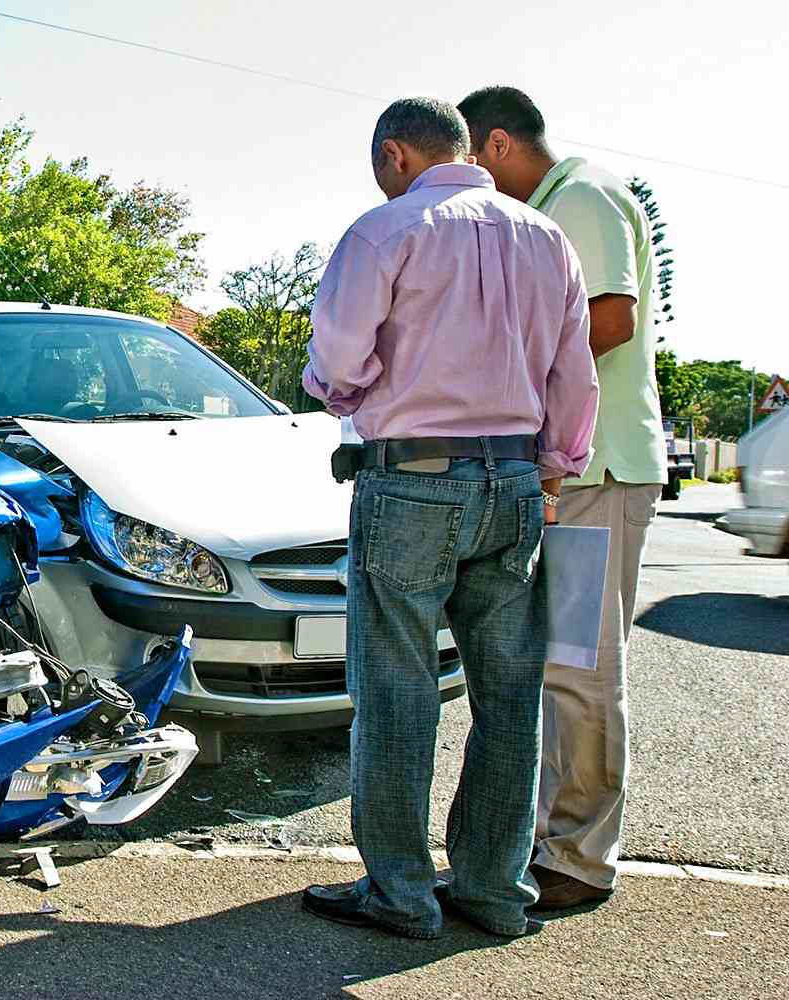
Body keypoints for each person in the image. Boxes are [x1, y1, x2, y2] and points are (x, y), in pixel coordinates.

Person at [299, 97, 599, 939]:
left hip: (412, 482)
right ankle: (493, 891)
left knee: (397, 693)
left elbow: (338, 361)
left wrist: (344, 392)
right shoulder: (546, 238)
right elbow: (575, 380)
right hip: (513, 485)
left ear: (396, 155)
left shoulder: (387, 230)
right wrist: (550, 469)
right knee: (509, 696)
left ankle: (400, 893)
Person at [459, 86, 667, 912]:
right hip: (565, 475)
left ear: (500, 144)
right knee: (556, 667)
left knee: (580, 669)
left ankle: (579, 861)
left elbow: (610, 319)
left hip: (600, 471)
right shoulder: (543, 208)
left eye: (470, 160)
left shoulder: (579, 196)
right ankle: (548, 842)